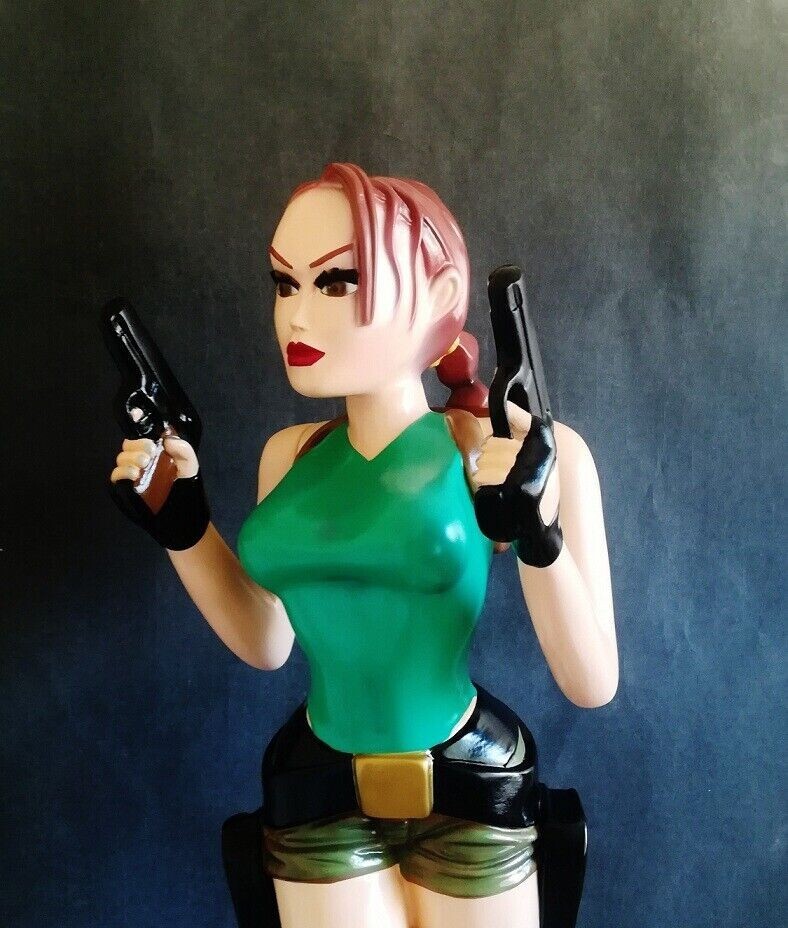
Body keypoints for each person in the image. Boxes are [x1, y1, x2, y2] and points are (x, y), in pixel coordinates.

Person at [109, 162, 618, 928]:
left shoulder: (509, 450)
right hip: (316, 787)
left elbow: (591, 681)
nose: (296, 316)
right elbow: (266, 642)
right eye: (285, 284)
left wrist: (538, 534)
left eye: (336, 282)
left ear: (441, 295)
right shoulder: (290, 456)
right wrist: (182, 529)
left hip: (470, 782)